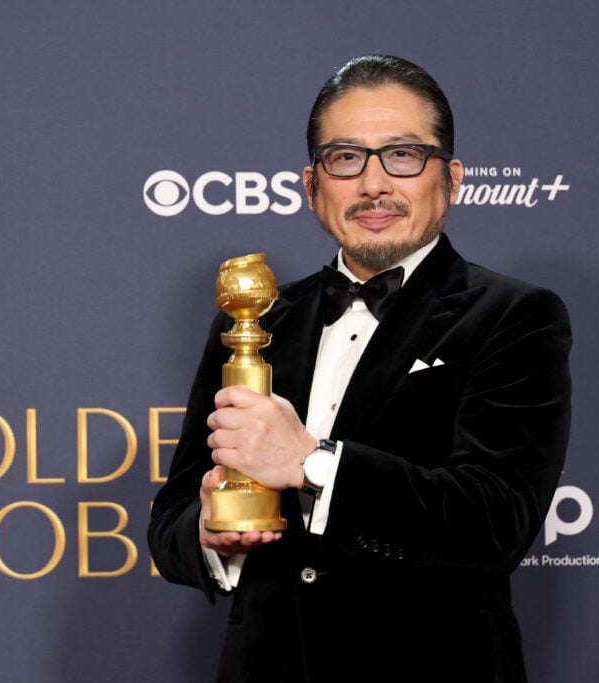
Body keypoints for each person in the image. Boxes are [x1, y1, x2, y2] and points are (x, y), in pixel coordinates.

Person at [148, 54, 571, 682]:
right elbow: (171, 521)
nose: (374, 184)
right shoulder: (255, 323)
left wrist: (313, 463)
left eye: (403, 155)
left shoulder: (515, 315)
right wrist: (212, 534)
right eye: (346, 158)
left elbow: (496, 520)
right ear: (311, 185)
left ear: (451, 178)